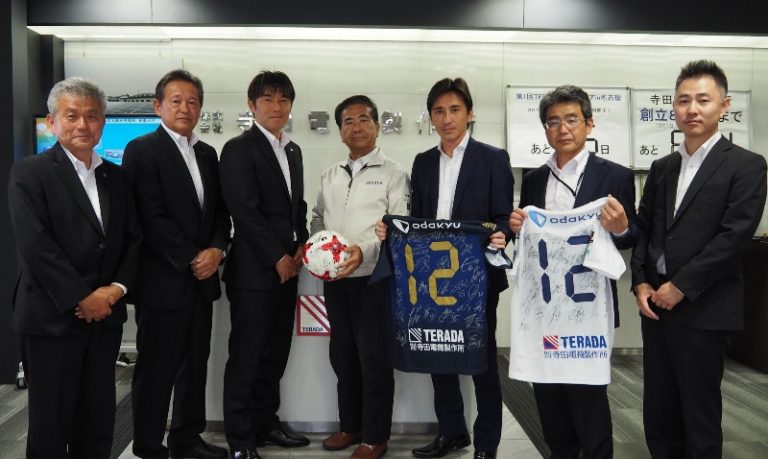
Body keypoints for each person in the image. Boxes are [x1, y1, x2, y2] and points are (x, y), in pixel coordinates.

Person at [631, 60, 767, 458]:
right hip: (657, 308)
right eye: (683, 100)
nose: (692, 109)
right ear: (673, 106)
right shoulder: (662, 168)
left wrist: (681, 286)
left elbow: (734, 237)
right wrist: (641, 281)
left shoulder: (746, 164)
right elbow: (645, 229)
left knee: (699, 414)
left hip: (705, 309)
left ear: (723, 106)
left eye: (703, 100)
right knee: (659, 411)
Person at [378, 77, 514, 459]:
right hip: (431, 276)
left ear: (470, 114)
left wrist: (502, 234)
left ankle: (487, 443)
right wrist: (393, 229)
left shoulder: (492, 158)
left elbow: (503, 216)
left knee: (481, 360)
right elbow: (418, 221)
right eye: (439, 111)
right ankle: (452, 432)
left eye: (455, 109)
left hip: (476, 277)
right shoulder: (423, 163)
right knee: (438, 351)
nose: (447, 117)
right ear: (431, 117)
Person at [8, 77, 141, 457]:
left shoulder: (116, 177)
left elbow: (134, 239)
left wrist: (114, 290)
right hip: (52, 318)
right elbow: (36, 246)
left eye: (92, 116)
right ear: (52, 122)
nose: (83, 124)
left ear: (103, 123)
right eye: (72, 116)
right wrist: (83, 297)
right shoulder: (30, 173)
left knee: (98, 422)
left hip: (104, 319)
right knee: (50, 426)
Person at [508, 85, 637, 459]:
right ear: (545, 129)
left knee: (588, 401)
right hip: (544, 311)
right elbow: (530, 242)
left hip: (588, 312)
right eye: (553, 122)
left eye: (571, 119)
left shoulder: (615, 176)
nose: (562, 128)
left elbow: (632, 236)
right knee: (549, 400)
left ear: (589, 124)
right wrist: (518, 227)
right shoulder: (533, 179)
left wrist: (621, 227)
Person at [123, 69, 230, 459]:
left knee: (194, 365)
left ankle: (187, 438)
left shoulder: (207, 153)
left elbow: (220, 214)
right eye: (176, 100)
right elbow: (149, 217)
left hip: (201, 282)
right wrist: (192, 257)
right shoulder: (142, 150)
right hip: (162, 281)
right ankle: (149, 445)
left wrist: (217, 249)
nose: (185, 108)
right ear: (158, 106)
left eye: (193, 101)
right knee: (156, 369)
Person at [311, 95, 410, 459]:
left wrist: (363, 250)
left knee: (374, 360)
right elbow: (317, 217)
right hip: (336, 279)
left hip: (374, 279)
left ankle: (374, 436)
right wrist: (321, 247)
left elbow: (399, 228)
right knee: (343, 356)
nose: (356, 127)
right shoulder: (330, 174)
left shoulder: (395, 174)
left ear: (377, 126)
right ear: (340, 131)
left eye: (364, 119)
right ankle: (350, 425)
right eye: (348, 121)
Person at [219, 70, 310, 459]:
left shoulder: (293, 150)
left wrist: (302, 245)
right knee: (247, 356)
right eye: (268, 99)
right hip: (254, 274)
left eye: (283, 100)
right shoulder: (239, 149)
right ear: (251, 105)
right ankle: (241, 440)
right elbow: (244, 211)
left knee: (274, 354)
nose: (277, 107)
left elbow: (296, 207)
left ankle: (265, 424)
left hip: (288, 269)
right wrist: (277, 256)